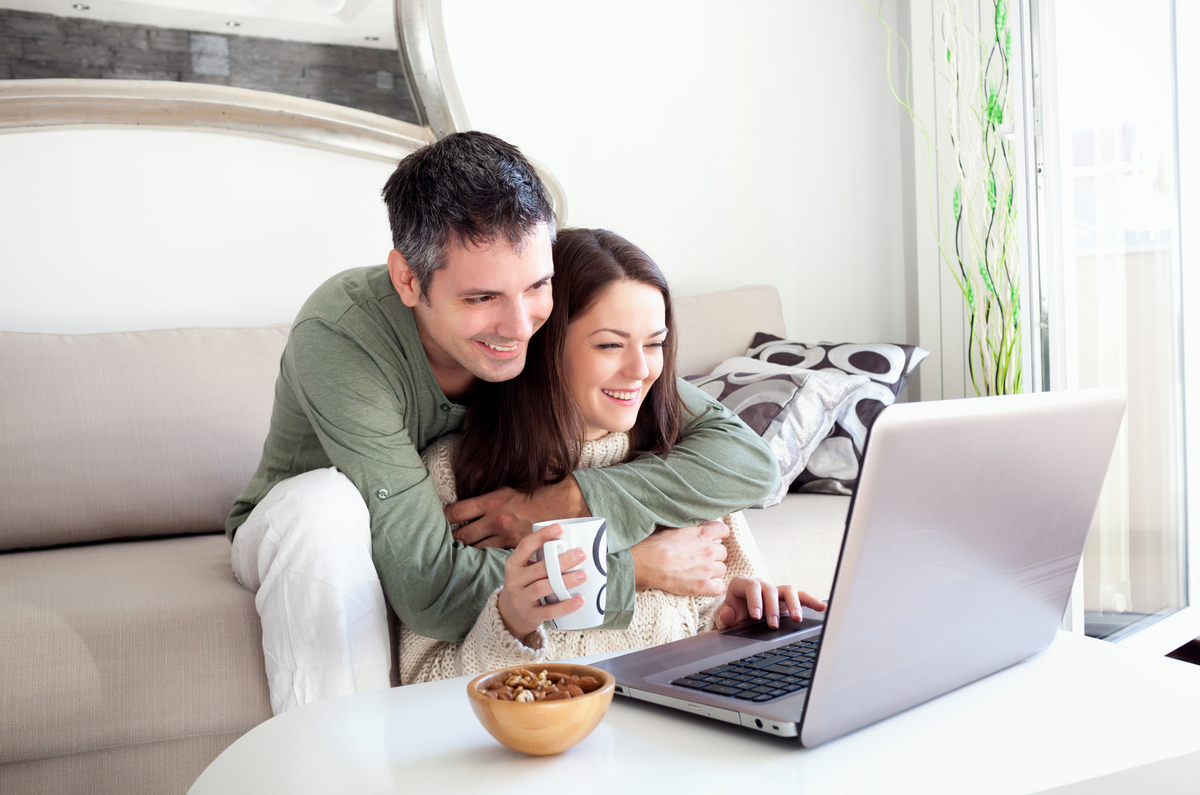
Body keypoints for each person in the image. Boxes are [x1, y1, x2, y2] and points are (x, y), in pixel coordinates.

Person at [225, 132, 781, 715]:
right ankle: (345, 763)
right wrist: (631, 569)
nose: (520, 326)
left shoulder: (540, 329)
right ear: (410, 280)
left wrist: (573, 499)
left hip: (433, 530)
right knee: (327, 509)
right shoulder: (342, 338)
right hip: (307, 529)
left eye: (539, 286)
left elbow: (736, 453)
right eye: (482, 297)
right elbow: (431, 587)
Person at [402, 229, 826, 683]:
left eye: (654, 343)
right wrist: (512, 623)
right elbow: (424, 682)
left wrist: (734, 622)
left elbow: (702, 625)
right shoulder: (454, 473)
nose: (641, 370)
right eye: (609, 344)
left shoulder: (685, 464)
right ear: (545, 345)